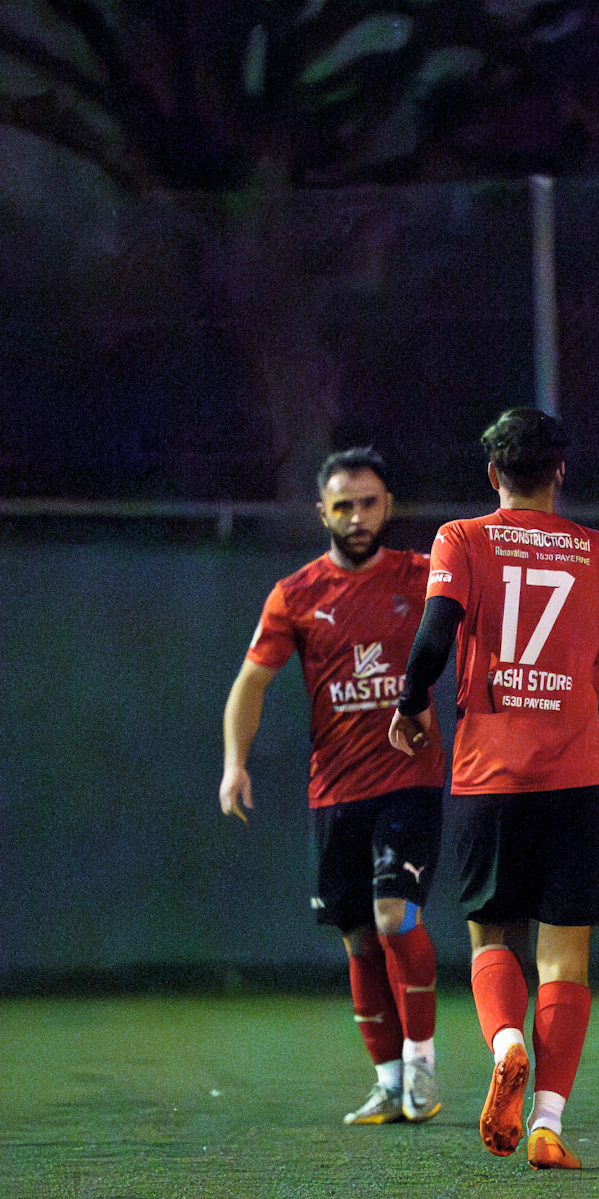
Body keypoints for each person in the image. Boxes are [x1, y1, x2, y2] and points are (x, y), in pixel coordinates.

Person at [389, 408, 599, 1170]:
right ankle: (547, 1123)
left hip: (489, 775)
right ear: (559, 472)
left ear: (491, 473)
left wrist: (408, 705)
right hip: (575, 780)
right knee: (565, 959)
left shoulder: (461, 539)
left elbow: (434, 636)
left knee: (491, 937)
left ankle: (506, 1043)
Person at [220, 448, 445, 1126]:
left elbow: (491, 638)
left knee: (395, 916)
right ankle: (388, 1083)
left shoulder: (424, 577)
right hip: (336, 791)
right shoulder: (295, 594)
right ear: (322, 512)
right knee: (358, 938)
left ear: (388, 505)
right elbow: (250, 684)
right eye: (343, 505)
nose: (356, 517)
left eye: (368, 502)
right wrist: (235, 763)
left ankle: (423, 1063)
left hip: (409, 778)